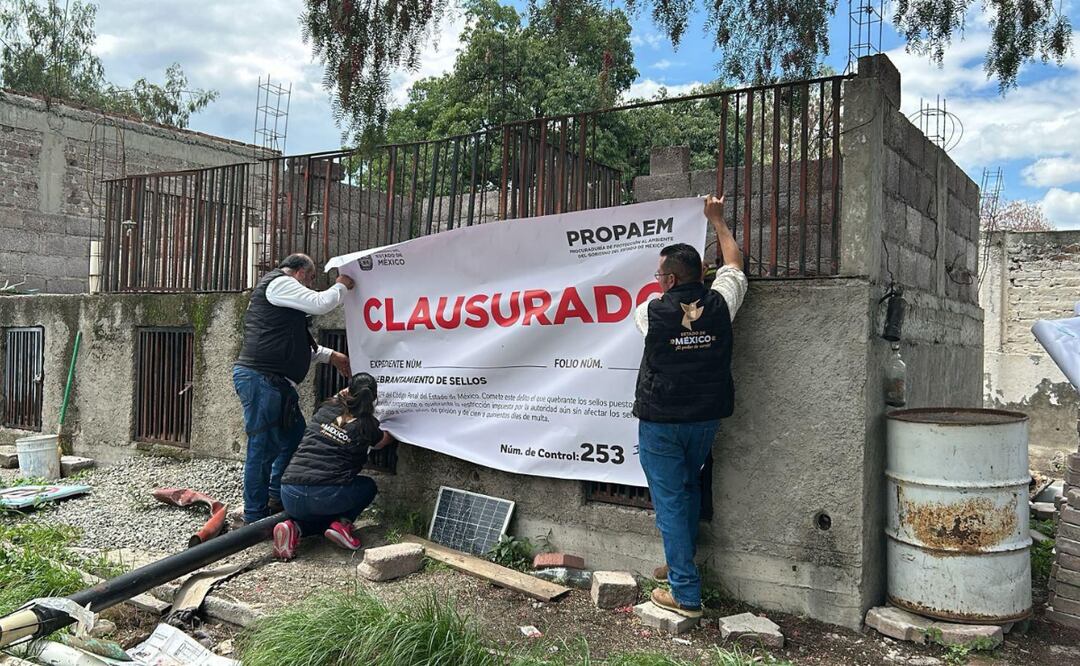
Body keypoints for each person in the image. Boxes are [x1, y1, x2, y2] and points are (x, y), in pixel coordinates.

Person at [632, 194, 748, 618]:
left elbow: (664, 307)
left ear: (665, 280)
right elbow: (734, 264)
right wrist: (716, 220)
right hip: (705, 418)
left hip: (661, 421)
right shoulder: (722, 302)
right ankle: (679, 561)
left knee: (670, 498)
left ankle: (685, 593)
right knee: (685, 489)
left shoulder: (648, 311)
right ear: (703, 272)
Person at [233, 253, 355, 526]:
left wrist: (332, 356)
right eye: (311, 279)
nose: (310, 285)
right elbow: (321, 303)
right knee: (262, 448)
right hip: (262, 380)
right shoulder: (279, 283)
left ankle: (275, 499)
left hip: (275, 383)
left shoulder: (287, 306)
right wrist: (342, 284)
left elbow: (299, 348)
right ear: (300, 272)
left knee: (295, 439)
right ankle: (254, 517)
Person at [272, 372, 392, 560]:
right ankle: (343, 525)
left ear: (347, 391)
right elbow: (382, 441)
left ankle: (294, 528)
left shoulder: (326, 408)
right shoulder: (366, 425)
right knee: (368, 486)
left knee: (318, 513)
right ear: (373, 398)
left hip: (289, 492)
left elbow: (340, 402)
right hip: (325, 495)